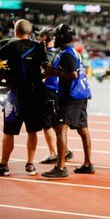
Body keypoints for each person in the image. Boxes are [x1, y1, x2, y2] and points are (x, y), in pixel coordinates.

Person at [0, 19, 46, 176]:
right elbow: (46, 70)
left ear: (15, 31)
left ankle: (3, 165)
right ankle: (30, 164)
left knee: (8, 131)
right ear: (30, 32)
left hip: (15, 96)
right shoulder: (38, 47)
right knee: (32, 131)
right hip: (35, 96)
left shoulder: (10, 46)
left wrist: (4, 78)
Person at [42, 24, 95, 178]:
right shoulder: (73, 52)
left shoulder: (66, 54)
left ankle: (60, 167)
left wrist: (54, 72)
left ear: (61, 38)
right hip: (81, 94)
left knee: (60, 128)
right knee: (83, 129)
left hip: (70, 97)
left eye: (56, 36)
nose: (54, 38)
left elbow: (73, 75)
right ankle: (88, 164)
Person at [36, 27, 74, 165]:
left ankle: (53, 153)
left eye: (42, 37)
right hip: (57, 92)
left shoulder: (49, 54)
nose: (40, 40)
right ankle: (65, 150)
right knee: (56, 125)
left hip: (49, 91)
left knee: (47, 125)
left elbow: (44, 75)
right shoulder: (60, 52)